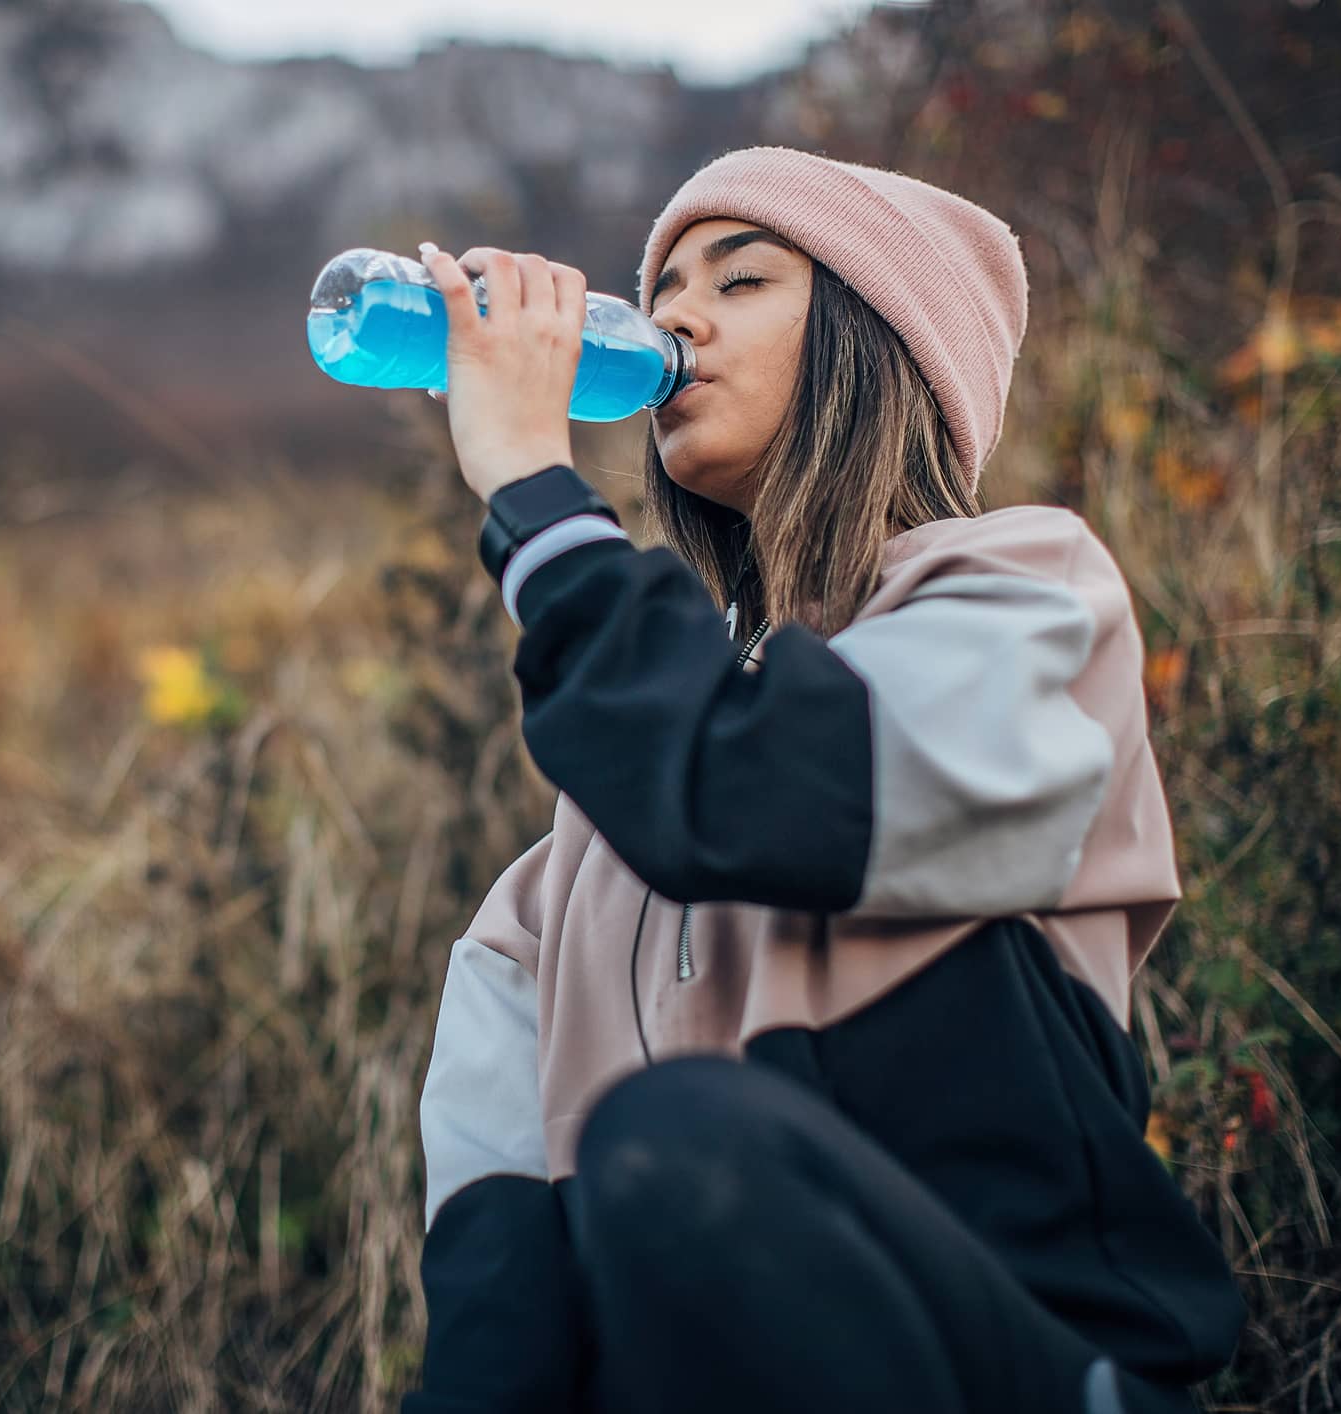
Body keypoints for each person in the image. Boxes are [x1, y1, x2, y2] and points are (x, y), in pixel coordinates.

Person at [401, 145, 1246, 1414]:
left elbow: (757, 789)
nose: (675, 315)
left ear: (878, 343)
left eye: (742, 281)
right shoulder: (545, 897)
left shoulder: (1027, 607)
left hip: (1012, 1365)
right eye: (666, 285)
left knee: (674, 1138)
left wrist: (532, 484)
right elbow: (496, 1314)